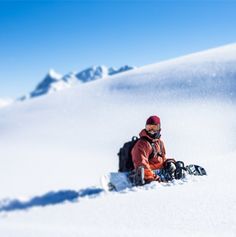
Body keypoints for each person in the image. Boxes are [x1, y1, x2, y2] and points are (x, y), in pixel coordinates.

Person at [131, 115, 177, 183]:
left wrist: (169, 163)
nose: (151, 131)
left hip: (160, 172)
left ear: (159, 129)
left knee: (179, 168)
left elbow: (162, 159)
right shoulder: (142, 144)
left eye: (154, 128)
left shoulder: (160, 143)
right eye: (149, 128)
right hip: (150, 176)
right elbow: (141, 165)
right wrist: (154, 178)